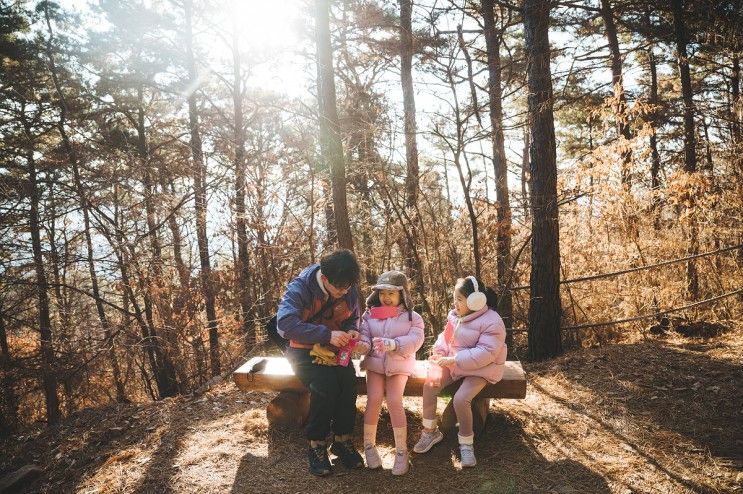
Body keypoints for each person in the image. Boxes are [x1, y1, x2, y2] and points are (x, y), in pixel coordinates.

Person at [276, 249, 364, 476]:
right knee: (324, 385)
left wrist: (352, 331)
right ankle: (317, 444)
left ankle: (342, 440)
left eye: (347, 288)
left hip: (334, 348)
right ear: (325, 279)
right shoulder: (301, 288)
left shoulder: (348, 287)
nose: (344, 292)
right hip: (302, 350)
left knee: (347, 381)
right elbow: (285, 324)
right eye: (339, 289)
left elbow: (354, 317)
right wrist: (326, 335)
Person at [413, 276, 506, 467]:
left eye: (459, 299)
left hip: (481, 370)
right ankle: (430, 432)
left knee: (460, 399)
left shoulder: (492, 321)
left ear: (475, 301)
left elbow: (486, 353)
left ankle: (466, 443)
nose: (455, 303)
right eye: (454, 298)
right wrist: (439, 351)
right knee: (430, 384)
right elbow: (445, 338)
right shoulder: (455, 317)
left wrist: (454, 360)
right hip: (456, 364)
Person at [356, 271, 424, 475]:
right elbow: (365, 334)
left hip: (399, 365)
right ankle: (369, 445)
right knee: (374, 398)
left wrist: (394, 344)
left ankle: (402, 451)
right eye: (382, 293)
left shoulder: (413, 317)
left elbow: (416, 340)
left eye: (391, 293)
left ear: (402, 295)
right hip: (375, 364)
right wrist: (362, 346)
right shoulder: (370, 314)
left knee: (394, 400)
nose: (386, 297)